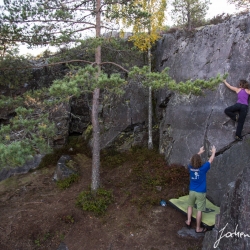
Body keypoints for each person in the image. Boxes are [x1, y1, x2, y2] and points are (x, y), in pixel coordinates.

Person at [185, 145, 216, 233]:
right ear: (200, 161)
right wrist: (213, 152)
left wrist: (199, 152)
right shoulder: (203, 168)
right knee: (199, 210)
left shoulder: (190, 167)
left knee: (190, 206)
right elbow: (211, 160)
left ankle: (188, 221)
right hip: (201, 192)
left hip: (192, 191)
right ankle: (198, 228)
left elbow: (192, 159)